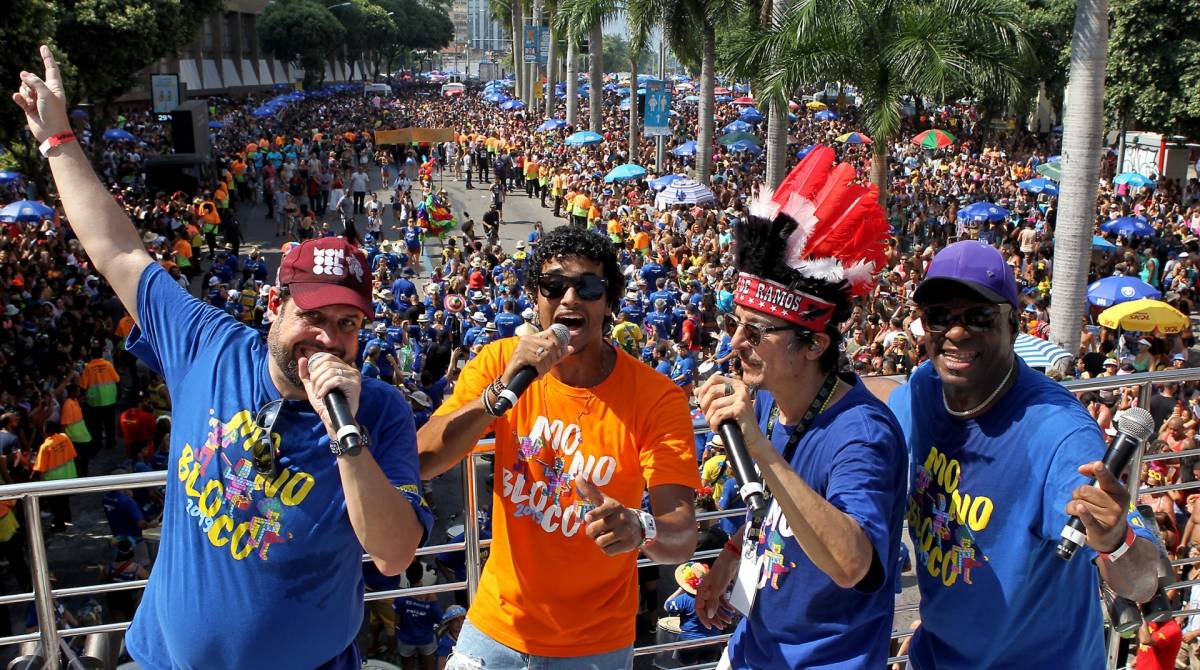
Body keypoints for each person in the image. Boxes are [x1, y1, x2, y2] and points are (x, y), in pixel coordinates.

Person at [13, 47, 433, 668]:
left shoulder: (380, 410)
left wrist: (344, 434)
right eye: (312, 318)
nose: (328, 338)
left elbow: (395, 555)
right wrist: (59, 141)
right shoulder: (207, 346)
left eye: (347, 324)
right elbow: (119, 253)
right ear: (275, 306)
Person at [418, 226, 699, 668]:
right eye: (554, 285)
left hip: (595, 646)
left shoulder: (656, 398)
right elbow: (423, 459)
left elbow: (682, 535)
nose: (569, 299)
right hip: (496, 625)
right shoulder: (499, 362)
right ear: (535, 295)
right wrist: (496, 396)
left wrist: (640, 527)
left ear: (609, 303)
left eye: (588, 287)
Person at [882, 240, 1161, 668]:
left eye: (978, 316)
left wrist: (1114, 540)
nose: (957, 333)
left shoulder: (1059, 434)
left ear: (1013, 324)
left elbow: (1141, 584)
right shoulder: (921, 392)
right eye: (940, 317)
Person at [694, 146, 908, 668]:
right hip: (755, 644)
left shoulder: (862, 434)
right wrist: (728, 556)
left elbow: (851, 563)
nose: (736, 343)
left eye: (758, 331)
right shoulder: (773, 400)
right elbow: (778, 508)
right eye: (734, 324)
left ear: (814, 345)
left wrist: (758, 445)